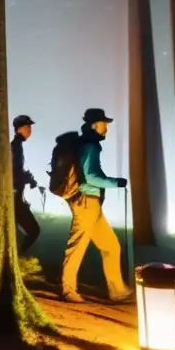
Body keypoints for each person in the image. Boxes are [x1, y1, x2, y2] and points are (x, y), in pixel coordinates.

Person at [61, 108, 133, 303]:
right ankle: (68, 289)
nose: (106, 128)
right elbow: (91, 177)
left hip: (91, 204)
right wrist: (115, 182)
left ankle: (117, 291)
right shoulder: (90, 146)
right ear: (95, 124)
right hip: (85, 202)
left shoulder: (86, 143)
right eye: (104, 124)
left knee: (111, 246)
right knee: (77, 247)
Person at [11, 114, 41, 255]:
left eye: (30, 127)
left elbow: (17, 170)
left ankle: (15, 258)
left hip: (16, 197)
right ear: (18, 129)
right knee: (34, 230)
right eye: (27, 126)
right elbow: (13, 171)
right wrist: (26, 179)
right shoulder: (15, 146)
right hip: (15, 199)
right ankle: (17, 258)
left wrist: (28, 178)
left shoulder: (17, 146)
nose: (30, 129)